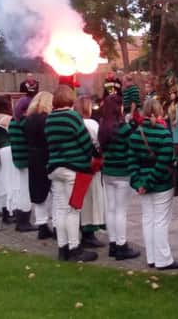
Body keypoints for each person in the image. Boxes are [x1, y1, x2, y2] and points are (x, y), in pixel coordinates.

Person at [45, 85, 97, 262]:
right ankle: (75, 248)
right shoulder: (73, 117)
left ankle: (63, 248)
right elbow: (85, 141)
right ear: (70, 98)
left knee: (60, 209)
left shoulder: (50, 118)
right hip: (72, 168)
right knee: (74, 209)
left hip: (55, 168)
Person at [128, 98, 178, 270]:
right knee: (160, 222)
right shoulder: (164, 134)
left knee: (148, 219)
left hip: (142, 180)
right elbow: (164, 162)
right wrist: (149, 182)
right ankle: (163, 259)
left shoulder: (136, 133)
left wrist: (138, 183)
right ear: (159, 113)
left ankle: (151, 257)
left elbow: (132, 161)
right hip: (161, 183)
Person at [98, 94, 140, 260]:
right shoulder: (124, 128)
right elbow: (132, 147)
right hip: (123, 172)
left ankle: (113, 243)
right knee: (121, 211)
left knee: (111, 209)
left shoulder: (103, 126)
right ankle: (121, 245)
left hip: (108, 172)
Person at [74, 95, 106, 248]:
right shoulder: (92, 124)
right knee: (92, 200)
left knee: (80, 199)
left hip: (76, 165)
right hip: (91, 166)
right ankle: (89, 233)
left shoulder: (74, 123)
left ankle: (82, 231)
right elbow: (99, 144)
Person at [24, 91, 55, 239]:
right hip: (46, 155)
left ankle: (42, 225)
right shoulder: (47, 120)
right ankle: (56, 225)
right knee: (54, 191)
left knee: (38, 192)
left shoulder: (28, 119)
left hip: (33, 156)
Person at [8, 96, 38, 232]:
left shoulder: (13, 121)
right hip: (26, 159)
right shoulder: (25, 122)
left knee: (21, 189)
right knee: (26, 191)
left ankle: (21, 219)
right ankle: (24, 221)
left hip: (18, 159)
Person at [0, 95, 14, 223]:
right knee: (10, 180)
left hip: (0, 150)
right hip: (9, 149)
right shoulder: (8, 119)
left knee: (1, 180)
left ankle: (4, 209)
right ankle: (10, 210)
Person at [166, 86, 178, 154]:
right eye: (170, 93)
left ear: (176, 94)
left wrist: (177, 122)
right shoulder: (171, 104)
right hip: (173, 125)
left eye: (172, 93)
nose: (171, 95)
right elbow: (170, 114)